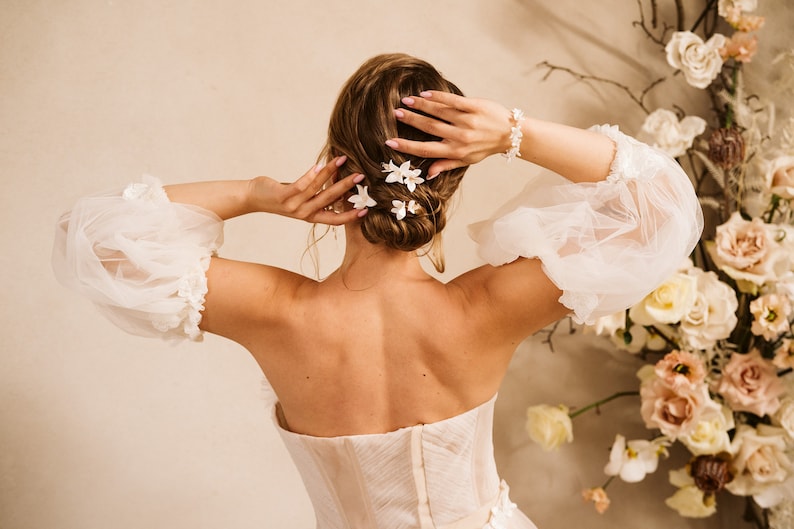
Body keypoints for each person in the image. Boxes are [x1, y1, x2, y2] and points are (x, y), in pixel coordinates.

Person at [52, 53, 703, 528]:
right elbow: (662, 208)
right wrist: (513, 133)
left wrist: (258, 194)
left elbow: (100, 242)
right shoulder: (488, 307)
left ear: (335, 162)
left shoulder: (277, 313)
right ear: (449, 179)